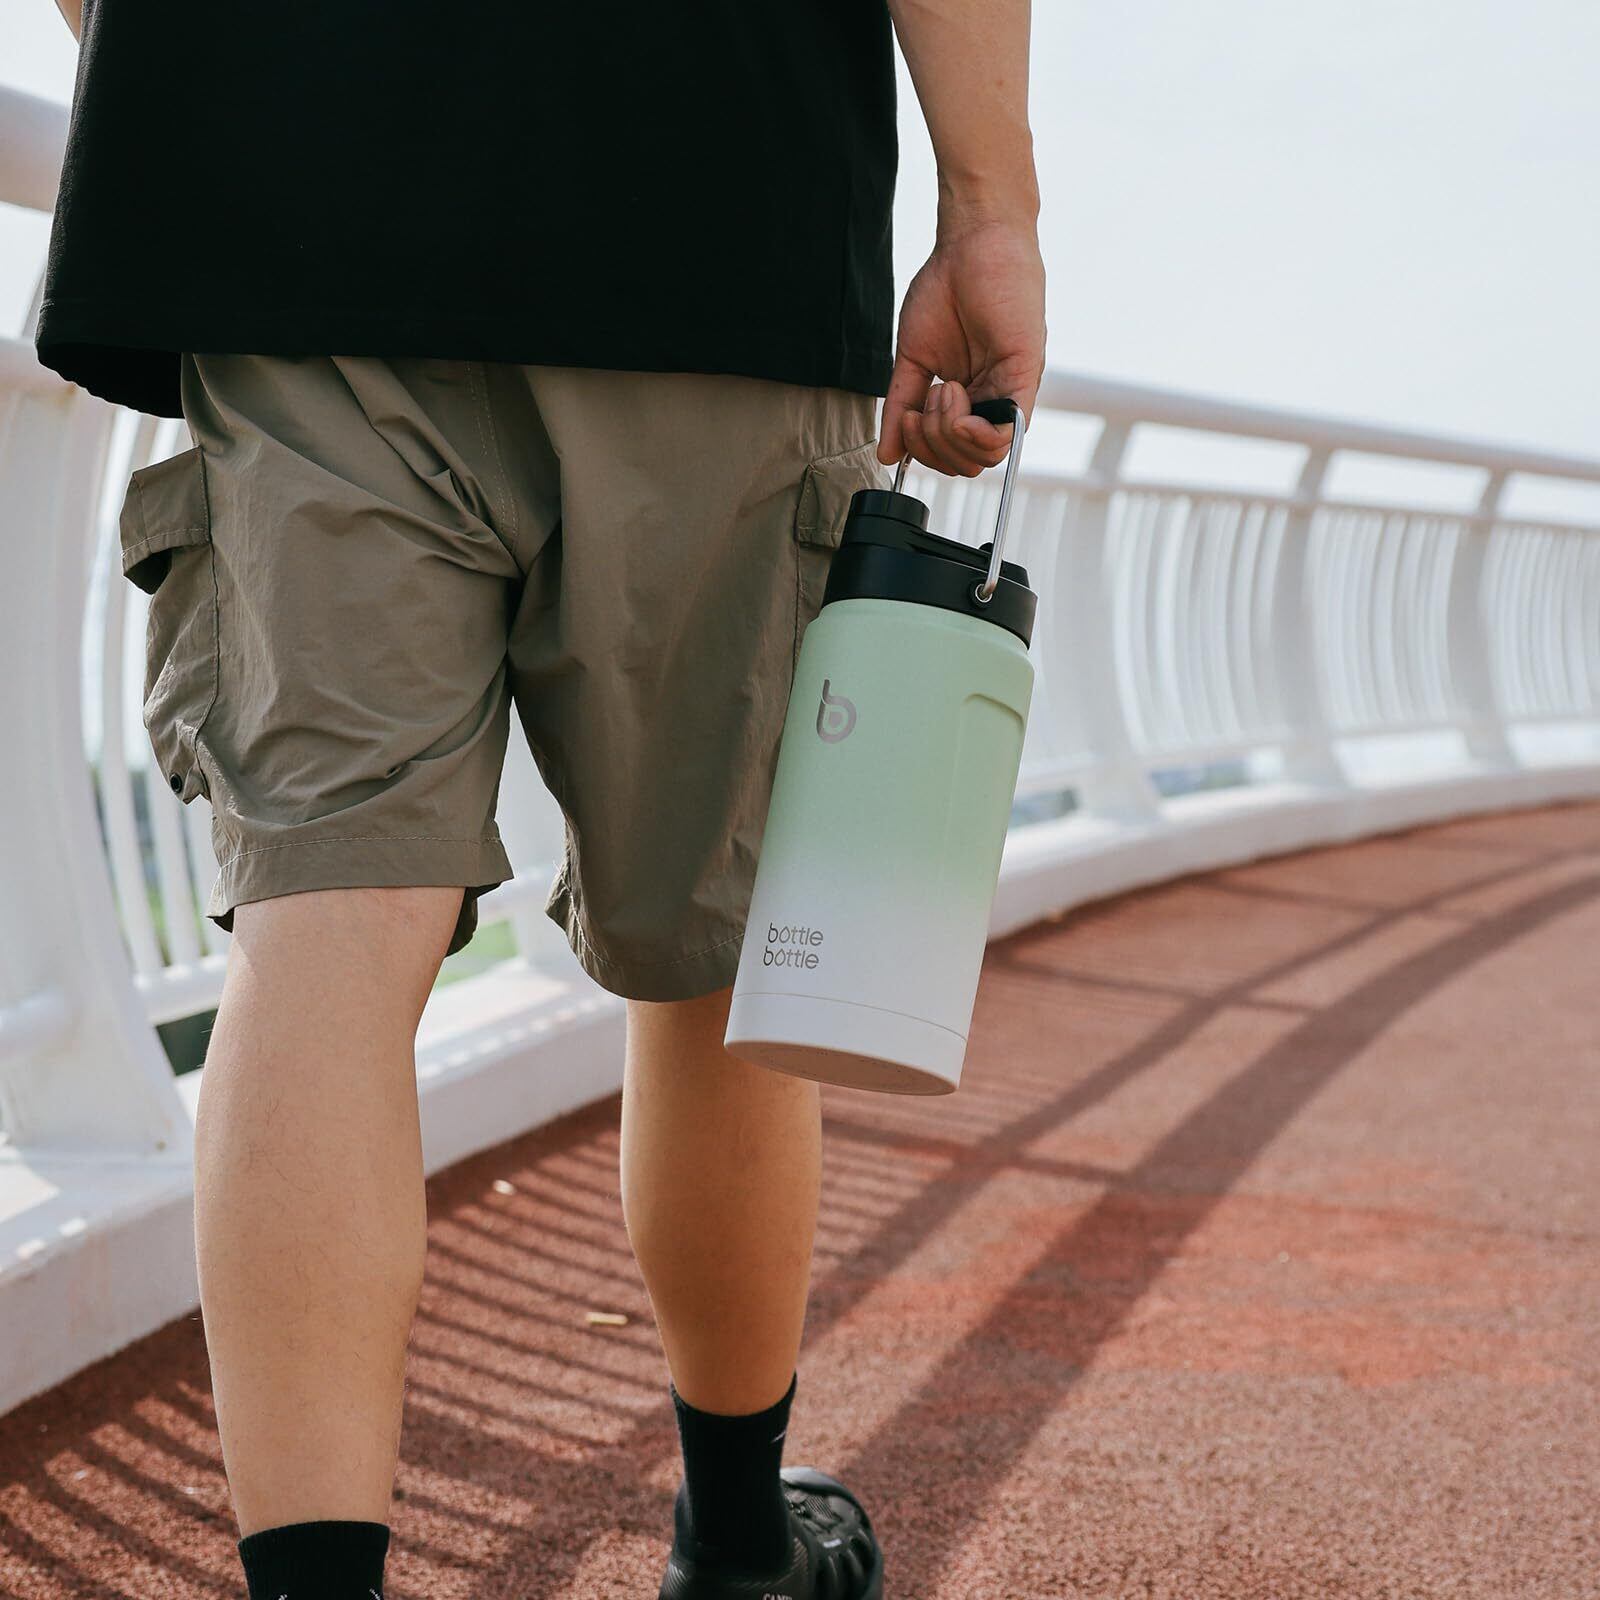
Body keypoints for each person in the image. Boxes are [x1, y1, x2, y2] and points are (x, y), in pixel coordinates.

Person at [36, 1, 1045, 1594]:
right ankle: (738, 1545)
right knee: (714, 952)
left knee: (323, 926)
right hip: (714, 198)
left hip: (288, 215)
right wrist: (990, 209)